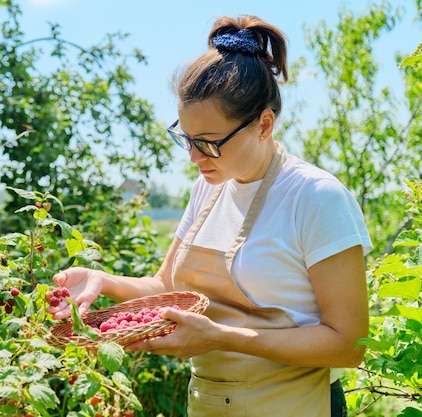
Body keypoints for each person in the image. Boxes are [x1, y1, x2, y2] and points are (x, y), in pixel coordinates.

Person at [48, 14, 372, 417]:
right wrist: (102, 280)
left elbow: (348, 343)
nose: (194, 157)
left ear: (264, 125)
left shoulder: (315, 197)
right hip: (210, 404)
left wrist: (219, 337)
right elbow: (165, 284)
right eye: (186, 138)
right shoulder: (208, 187)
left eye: (209, 143)